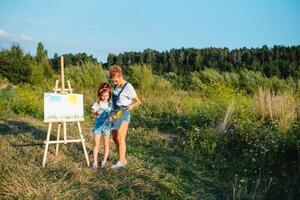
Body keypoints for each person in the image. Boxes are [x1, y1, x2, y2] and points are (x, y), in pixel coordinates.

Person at [109, 65, 141, 169]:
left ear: (120, 76)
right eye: (113, 81)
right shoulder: (116, 86)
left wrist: (131, 106)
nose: (114, 83)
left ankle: (121, 161)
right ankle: (122, 158)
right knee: (114, 137)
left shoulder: (128, 87)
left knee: (120, 137)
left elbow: (138, 101)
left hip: (124, 112)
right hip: (115, 112)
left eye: (116, 81)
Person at [91, 83, 112, 169]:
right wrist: (96, 112)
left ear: (109, 95)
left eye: (107, 95)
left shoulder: (110, 105)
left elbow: (113, 115)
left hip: (107, 127)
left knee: (106, 145)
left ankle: (104, 161)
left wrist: (112, 117)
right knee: (96, 144)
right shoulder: (97, 104)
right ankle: (95, 162)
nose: (105, 97)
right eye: (103, 96)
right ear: (100, 95)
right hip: (98, 127)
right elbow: (94, 113)